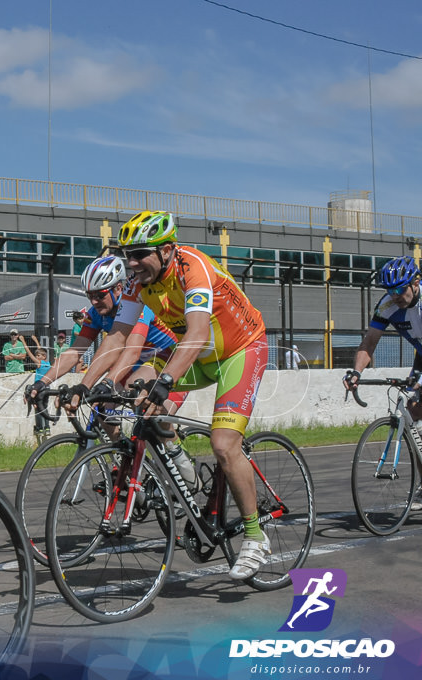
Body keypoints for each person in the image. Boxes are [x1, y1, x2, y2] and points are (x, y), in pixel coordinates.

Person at [110, 210, 269, 580]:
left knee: (224, 443)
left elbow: (196, 332)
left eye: (140, 254)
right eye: (127, 255)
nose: (131, 263)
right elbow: (118, 335)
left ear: (166, 250)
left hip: (240, 350)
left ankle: (255, 536)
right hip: (199, 353)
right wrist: (87, 384)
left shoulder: (192, 267)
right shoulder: (137, 282)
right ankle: (181, 465)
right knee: (137, 389)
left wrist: (165, 381)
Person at [29, 255, 194, 485]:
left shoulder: (138, 305)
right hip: (139, 364)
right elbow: (74, 351)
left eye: (100, 294)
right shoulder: (96, 314)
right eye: (90, 295)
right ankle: (125, 460)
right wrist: (42, 383)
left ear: (118, 287)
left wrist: (96, 384)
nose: (94, 301)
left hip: (168, 359)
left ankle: (185, 472)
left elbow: (131, 352)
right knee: (101, 405)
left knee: (151, 413)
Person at [342, 256, 422, 511]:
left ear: (416, 283)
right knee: (414, 411)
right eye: (390, 290)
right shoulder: (387, 304)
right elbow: (370, 342)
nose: (395, 295)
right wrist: (356, 372)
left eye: (400, 289)